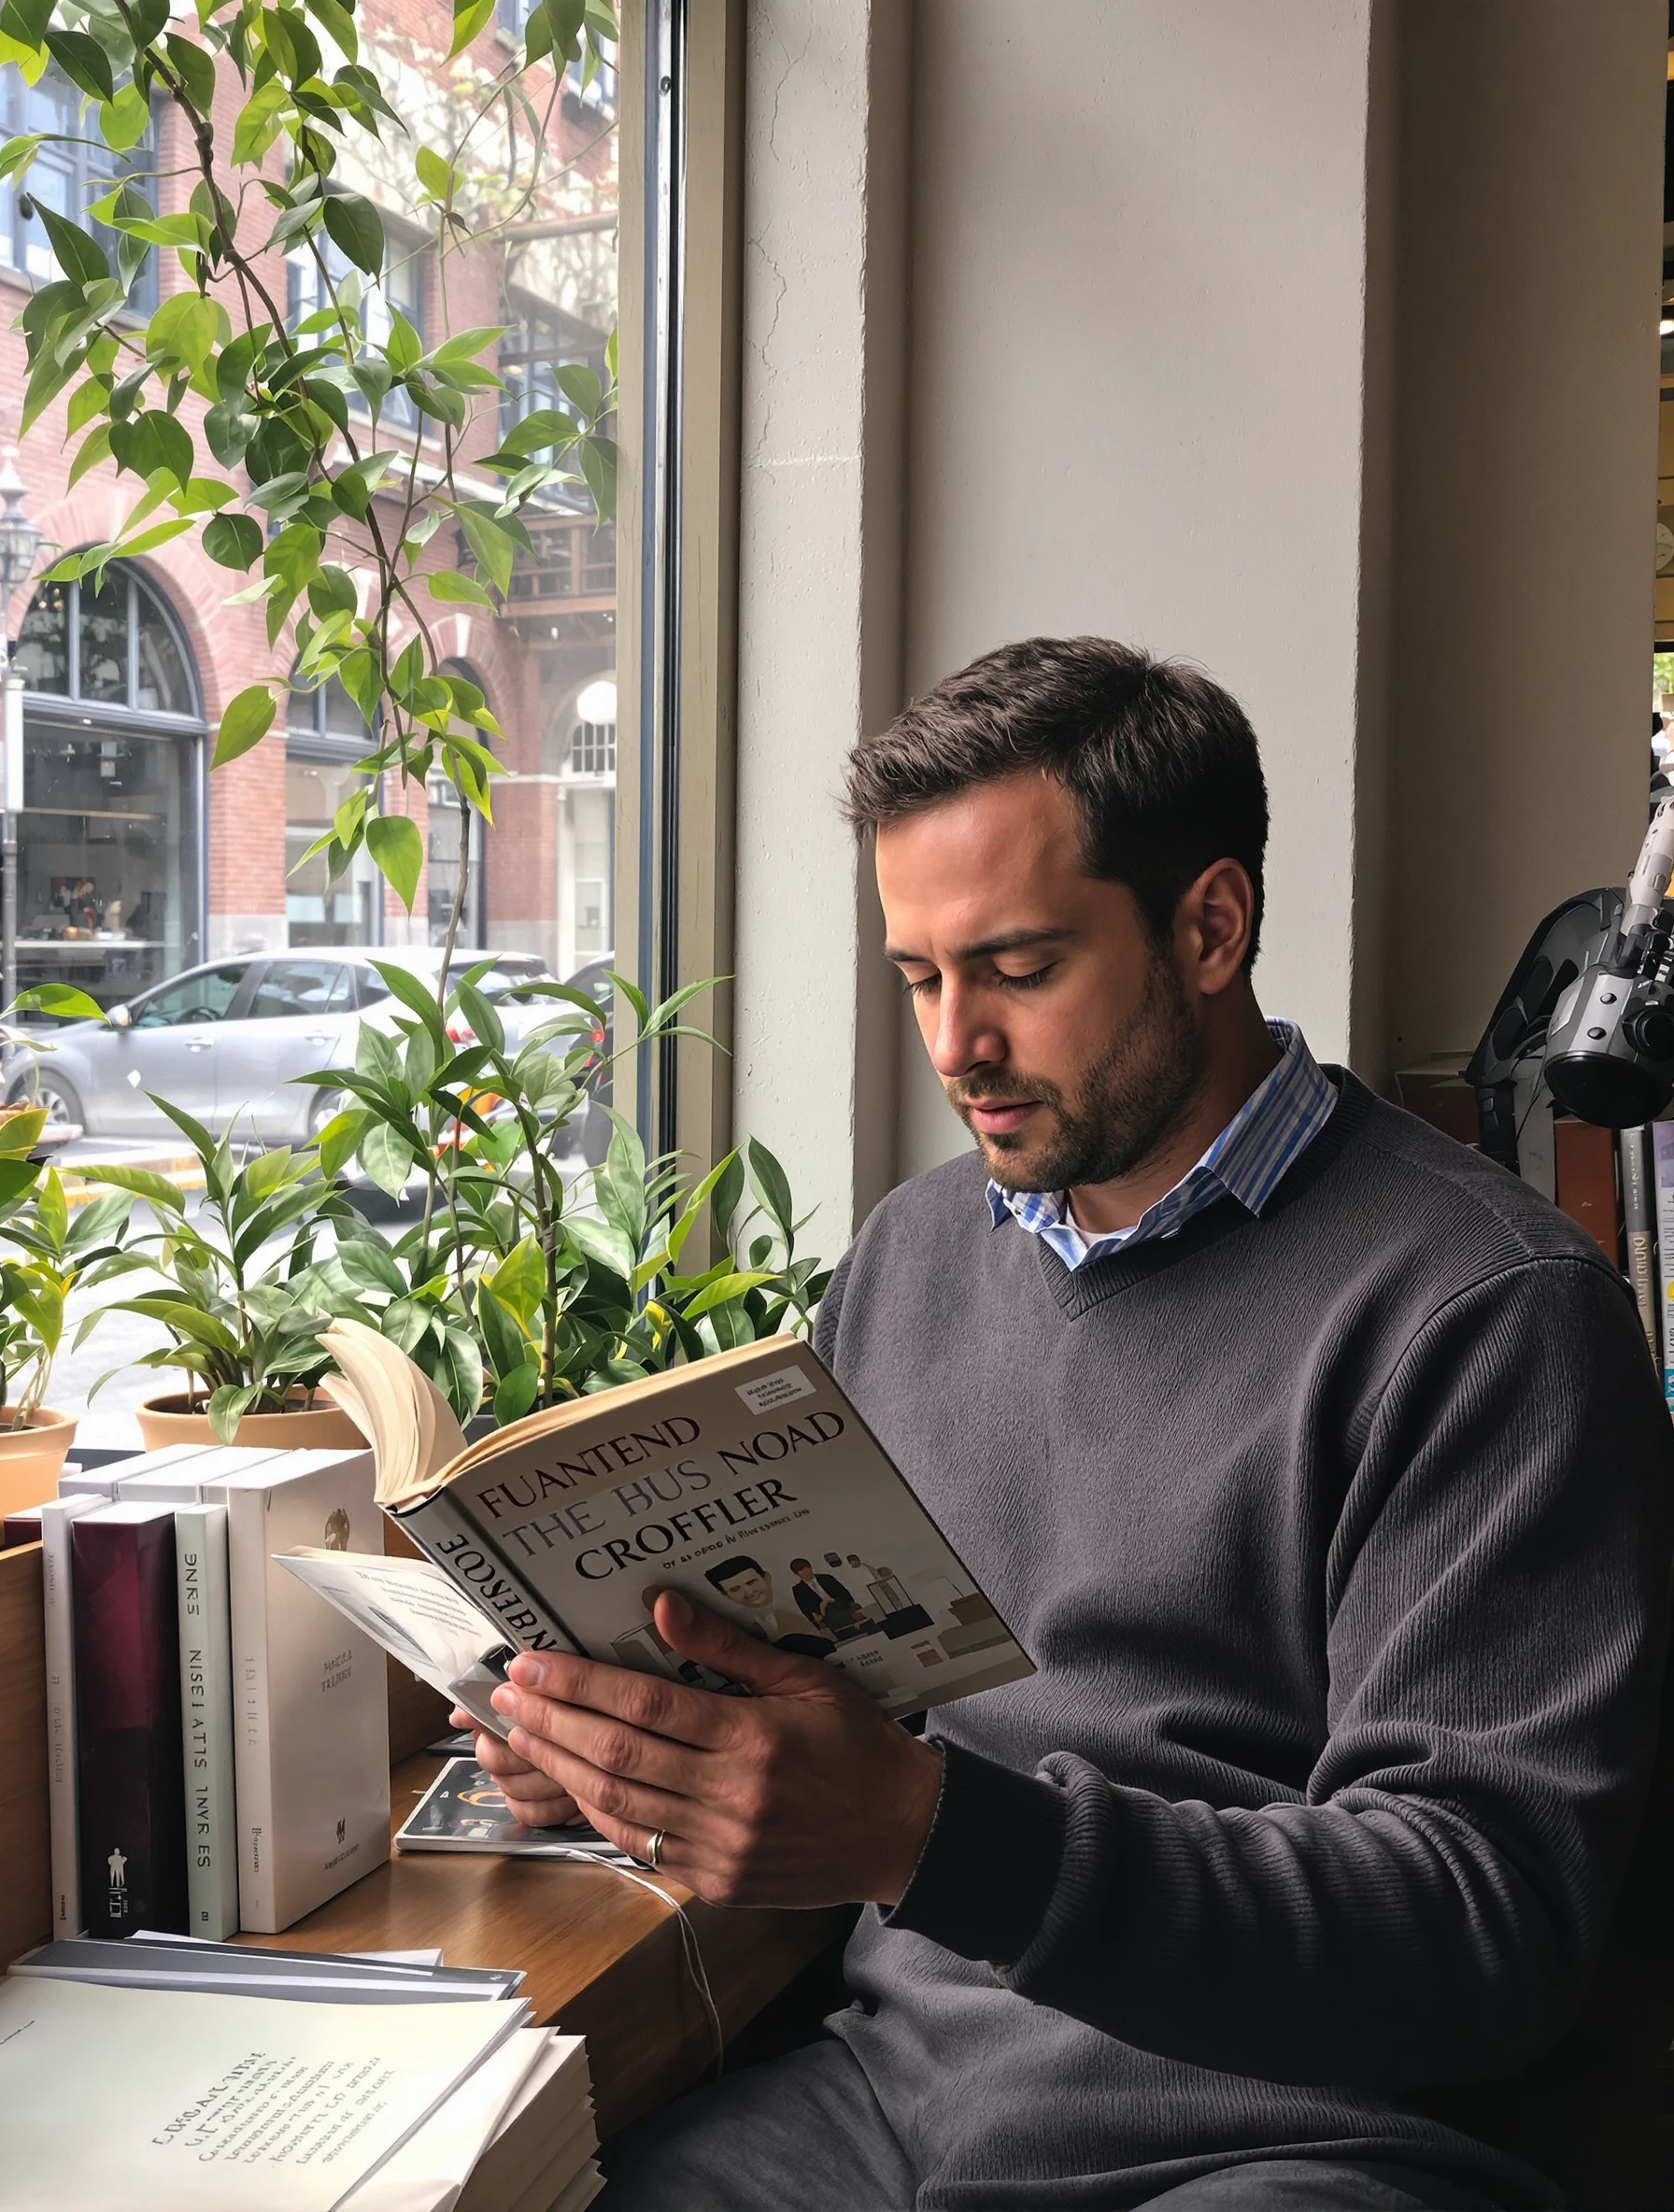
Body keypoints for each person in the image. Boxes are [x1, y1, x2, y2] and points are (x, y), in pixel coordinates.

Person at [461, 638, 1674, 2210]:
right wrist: (630, 1738)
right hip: (892, 2105)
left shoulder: (1485, 1312)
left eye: (1016, 968)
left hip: (1306, 2141)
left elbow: (1472, 1926)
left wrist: (930, 1833)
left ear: (1209, 926)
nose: (954, 1041)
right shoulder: (911, 1257)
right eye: (918, 976)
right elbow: (846, 1693)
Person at [702, 1553, 834, 1657]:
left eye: (752, 1582)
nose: (749, 1592)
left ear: (767, 1578)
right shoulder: (738, 1628)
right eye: (735, 1589)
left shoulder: (801, 1600)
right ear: (725, 1595)